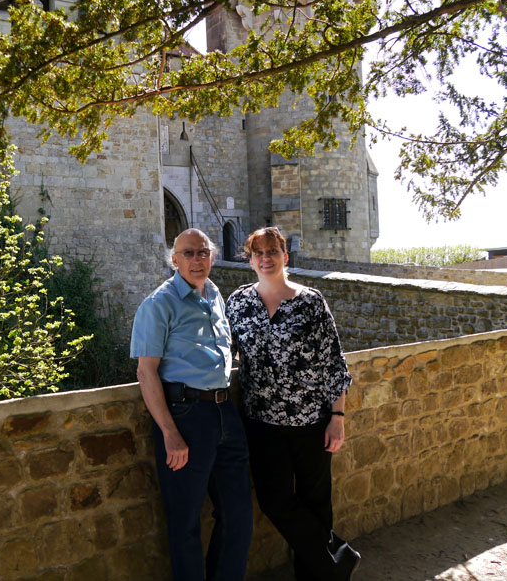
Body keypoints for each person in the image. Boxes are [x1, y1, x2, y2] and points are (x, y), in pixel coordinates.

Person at [226, 227, 358, 581]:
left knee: (316, 503)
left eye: (272, 251)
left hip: (312, 421)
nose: (265, 258)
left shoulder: (310, 301)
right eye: (258, 253)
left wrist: (337, 416)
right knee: (274, 501)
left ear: (285, 256)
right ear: (250, 259)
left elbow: (334, 362)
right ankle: (338, 559)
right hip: (261, 423)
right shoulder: (238, 302)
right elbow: (224, 353)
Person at [131, 228, 253, 581]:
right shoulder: (159, 303)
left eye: (202, 252)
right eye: (188, 253)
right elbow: (146, 371)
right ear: (174, 259)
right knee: (185, 522)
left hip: (224, 411)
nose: (196, 260)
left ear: (212, 257)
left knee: (238, 514)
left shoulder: (215, 295)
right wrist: (169, 431)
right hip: (186, 416)